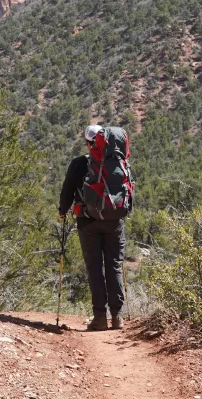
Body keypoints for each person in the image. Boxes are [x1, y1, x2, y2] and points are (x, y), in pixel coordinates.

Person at [58, 124, 126, 331]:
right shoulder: (118, 162)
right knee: (114, 265)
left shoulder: (79, 163)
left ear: (87, 143)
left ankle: (99, 318)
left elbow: (68, 189)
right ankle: (117, 317)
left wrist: (62, 210)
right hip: (115, 220)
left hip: (87, 221)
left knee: (94, 268)